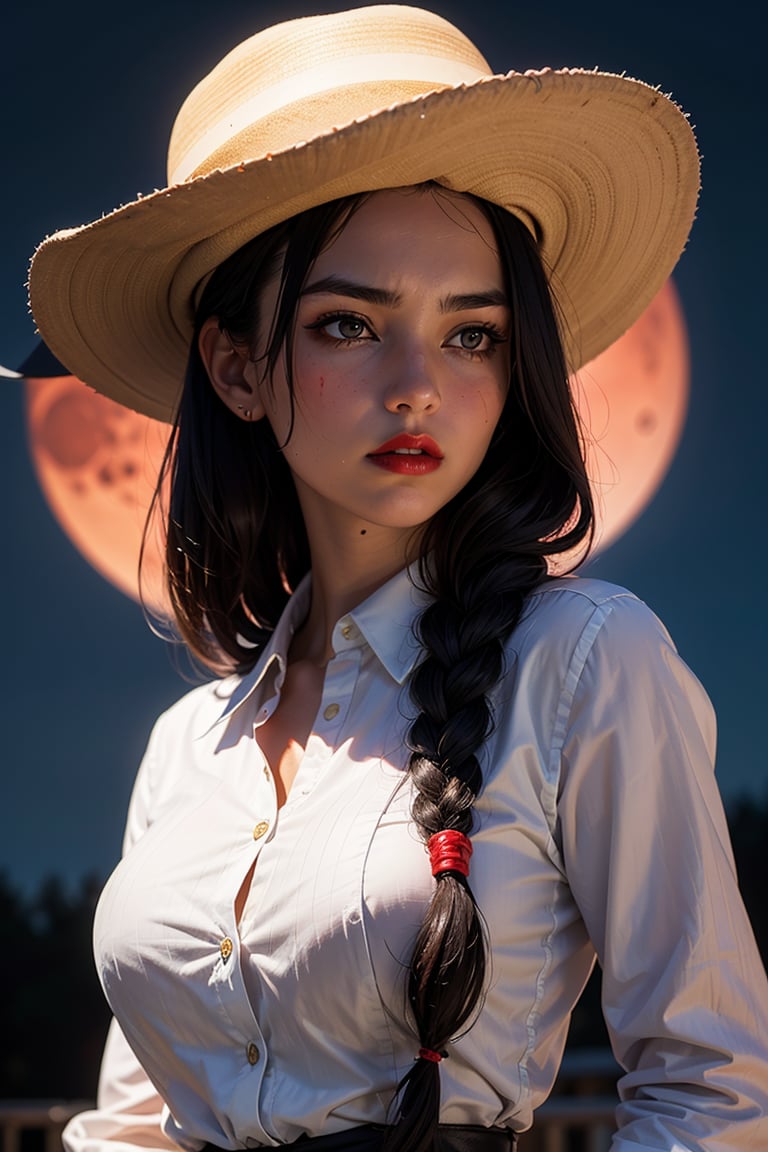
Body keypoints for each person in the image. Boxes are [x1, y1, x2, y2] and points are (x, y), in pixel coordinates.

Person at [28, 5, 768, 1151]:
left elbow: (714, 1089)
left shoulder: (585, 660)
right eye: (348, 325)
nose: (419, 384)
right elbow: (134, 1127)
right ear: (236, 366)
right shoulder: (188, 748)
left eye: (471, 334)